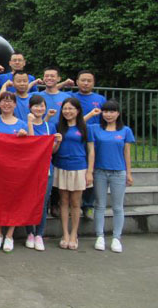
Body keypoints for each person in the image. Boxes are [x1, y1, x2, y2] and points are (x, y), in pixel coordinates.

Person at [87, 100, 135, 253]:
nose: (109, 114)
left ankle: (116, 238)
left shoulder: (125, 131)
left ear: (118, 113)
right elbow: (77, 125)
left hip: (118, 172)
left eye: (112, 111)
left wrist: (129, 173)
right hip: (99, 172)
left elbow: (127, 153)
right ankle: (99, 236)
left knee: (117, 207)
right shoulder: (95, 128)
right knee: (99, 205)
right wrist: (91, 114)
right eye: (106, 111)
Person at [0, 91, 28, 252]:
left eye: (10, 101)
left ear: (15, 104)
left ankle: (10, 235)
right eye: (3, 101)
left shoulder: (22, 124)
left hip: (15, 168)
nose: (6, 104)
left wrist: (25, 137)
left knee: (14, 200)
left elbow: (30, 146)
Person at [53, 97, 95, 251]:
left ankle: (74, 234)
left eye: (71, 108)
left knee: (76, 203)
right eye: (65, 108)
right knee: (63, 201)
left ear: (77, 111)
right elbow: (53, 150)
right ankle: (65, 234)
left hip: (79, 168)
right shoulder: (58, 126)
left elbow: (91, 151)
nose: (67, 111)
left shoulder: (85, 128)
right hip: (61, 166)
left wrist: (89, 171)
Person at [24, 95, 62, 251]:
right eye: (36, 106)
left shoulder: (49, 126)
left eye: (41, 106)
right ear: (30, 108)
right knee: (28, 201)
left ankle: (39, 234)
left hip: (46, 169)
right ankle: (30, 233)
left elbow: (52, 151)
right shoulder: (25, 125)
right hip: (30, 170)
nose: (39, 109)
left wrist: (58, 142)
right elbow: (30, 144)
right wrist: (29, 123)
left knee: (43, 202)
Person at [70, 70, 106, 220]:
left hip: (95, 138)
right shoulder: (71, 97)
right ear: (77, 82)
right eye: (83, 80)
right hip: (75, 137)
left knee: (92, 171)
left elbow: (105, 119)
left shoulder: (100, 99)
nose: (85, 83)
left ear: (93, 83)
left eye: (89, 81)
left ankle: (88, 205)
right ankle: (73, 204)